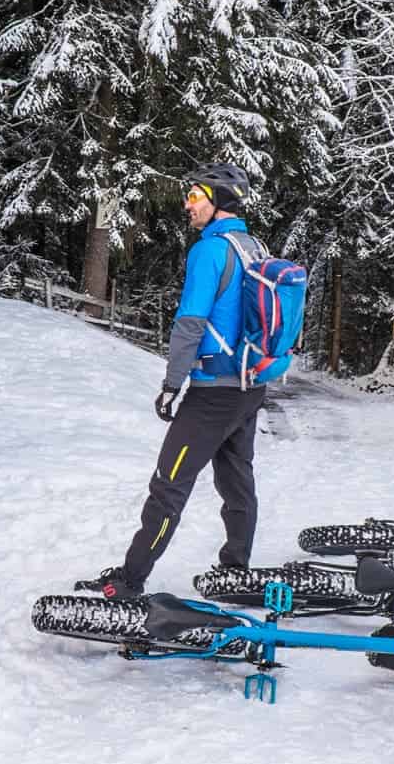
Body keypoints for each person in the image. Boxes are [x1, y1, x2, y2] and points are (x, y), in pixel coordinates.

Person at [77, 165, 268, 597]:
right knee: (237, 480)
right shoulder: (254, 245)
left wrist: (172, 382)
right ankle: (236, 569)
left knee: (169, 486)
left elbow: (190, 321)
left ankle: (130, 580)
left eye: (196, 195)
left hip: (212, 392)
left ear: (220, 198)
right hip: (249, 386)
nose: (188, 203)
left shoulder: (211, 250)